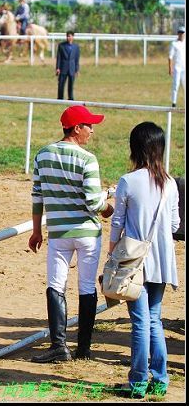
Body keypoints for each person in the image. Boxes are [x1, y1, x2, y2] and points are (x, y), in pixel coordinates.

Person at [28, 105, 114, 363]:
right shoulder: (88, 159)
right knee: (86, 287)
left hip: (58, 232)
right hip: (87, 232)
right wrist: (107, 207)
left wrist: (35, 231)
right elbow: (92, 202)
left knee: (56, 286)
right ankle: (84, 348)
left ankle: (58, 346)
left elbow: (37, 197)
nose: (92, 131)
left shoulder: (42, 155)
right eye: (89, 126)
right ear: (76, 128)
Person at [109, 122, 180, 399]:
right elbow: (174, 224)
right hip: (162, 258)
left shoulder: (129, 180)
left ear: (135, 147)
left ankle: (138, 380)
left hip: (133, 260)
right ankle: (160, 380)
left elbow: (117, 222)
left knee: (140, 321)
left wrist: (113, 251)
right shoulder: (171, 183)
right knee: (154, 319)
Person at [56, 31, 80, 101]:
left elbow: (77, 59)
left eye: (70, 36)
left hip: (72, 68)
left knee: (71, 85)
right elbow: (59, 57)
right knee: (61, 84)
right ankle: (60, 98)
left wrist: (77, 69)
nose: (69, 37)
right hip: (63, 67)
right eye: (68, 36)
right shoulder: (61, 46)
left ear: (73, 37)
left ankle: (71, 98)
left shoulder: (76, 47)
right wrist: (58, 68)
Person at [168, 26, 185, 108]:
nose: (181, 35)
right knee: (176, 85)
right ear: (178, 33)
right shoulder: (174, 43)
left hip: (184, 68)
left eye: (183, 33)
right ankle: (174, 103)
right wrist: (170, 68)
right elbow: (170, 57)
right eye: (180, 33)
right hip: (177, 68)